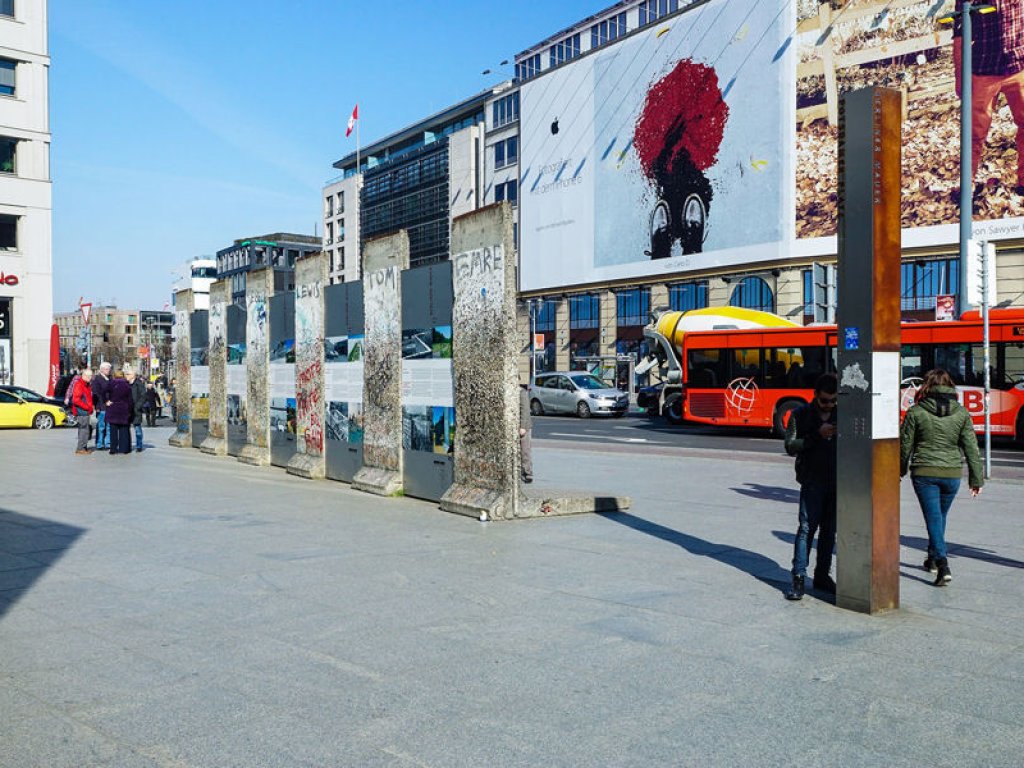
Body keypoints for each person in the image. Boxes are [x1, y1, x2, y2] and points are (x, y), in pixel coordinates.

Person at [900, 369, 984, 587]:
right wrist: (976, 479)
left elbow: (905, 445)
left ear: (926, 386)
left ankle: (942, 563)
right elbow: (971, 448)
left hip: (925, 473)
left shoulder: (916, 411)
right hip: (952, 474)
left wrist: (899, 470)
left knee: (934, 518)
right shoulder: (962, 413)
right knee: (938, 517)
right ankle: (932, 559)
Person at [953, 0, 1024, 197]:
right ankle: (967, 187)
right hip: (983, 71)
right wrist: (960, 76)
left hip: (1018, 67)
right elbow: (959, 36)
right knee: (973, 133)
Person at [784, 373, 838, 601]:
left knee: (829, 531)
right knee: (806, 528)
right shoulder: (801, 414)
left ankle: (822, 575)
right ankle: (798, 576)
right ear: (815, 395)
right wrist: (817, 435)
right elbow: (790, 446)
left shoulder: (842, 413)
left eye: (834, 401)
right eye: (825, 400)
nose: (829, 405)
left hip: (837, 479)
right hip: (812, 479)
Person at [106, 372, 134, 455]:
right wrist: (130, 410)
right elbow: (130, 400)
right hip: (124, 409)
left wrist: (107, 401)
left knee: (113, 430)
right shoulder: (127, 385)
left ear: (114, 376)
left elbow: (103, 392)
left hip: (113, 408)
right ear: (123, 376)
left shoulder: (110, 384)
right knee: (123, 429)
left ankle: (113, 449)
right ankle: (124, 448)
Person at [70, 368, 94, 454]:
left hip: (85, 411)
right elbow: (76, 400)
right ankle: (80, 448)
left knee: (85, 430)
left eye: (91, 376)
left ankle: (83, 447)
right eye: (88, 376)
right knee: (83, 430)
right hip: (82, 411)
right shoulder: (79, 384)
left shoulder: (86, 384)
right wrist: (87, 407)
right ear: (83, 375)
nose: (90, 378)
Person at [91, 361, 112, 450]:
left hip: (110, 407)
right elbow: (96, 394)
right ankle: (99, 443)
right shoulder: (97, 380)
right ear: (102, 370)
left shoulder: (110, 379)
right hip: (101, 406)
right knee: (101, 426)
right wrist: (98, 406)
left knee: (109, 426)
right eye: (107, 369)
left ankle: (107, 443)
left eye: (109, 369)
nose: (109, 371)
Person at [125, 366, 146, 452]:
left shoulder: (139, 384)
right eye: (126, 374)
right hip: (127, 410)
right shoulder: (125, 383)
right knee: (126, 429)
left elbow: (143, 396)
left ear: (133, 375)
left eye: (128, 374)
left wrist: (137, 406)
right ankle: (127, 445)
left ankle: (139, 446)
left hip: (136, 410)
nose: (126, 375)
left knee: (137, 429)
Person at [519, 384, 533, 484]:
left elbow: (525, 410)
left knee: (525, 450)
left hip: (524, 427)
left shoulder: (522, 392)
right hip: (515, 426)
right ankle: (519, 471)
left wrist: (523, 426)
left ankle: (528, 472)